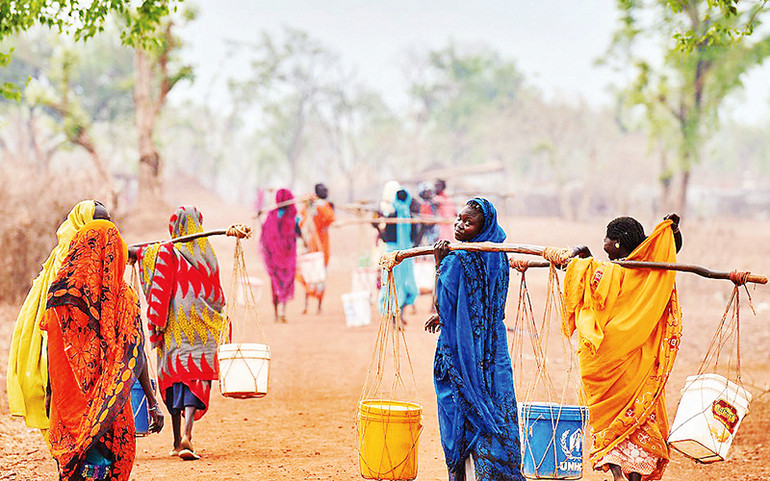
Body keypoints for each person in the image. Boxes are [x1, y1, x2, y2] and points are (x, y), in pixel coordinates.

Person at [563, 214, 683, 481]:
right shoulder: (650, 272)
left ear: (617, 243)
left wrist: (583, 263)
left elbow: (596, 282)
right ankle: (633, 475)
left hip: (608, 352)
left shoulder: (614, 271)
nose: (604, 243)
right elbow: (670, 252)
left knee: (607, 416)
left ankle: (619, 472)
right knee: (640, 414)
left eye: (607, 239)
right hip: (638, 357)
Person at [42, 219, 163, 480]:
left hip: (67, 408)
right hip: (110, 411)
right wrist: (153, 402)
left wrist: (50, 396)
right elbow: (136, 354)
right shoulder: (124, 299)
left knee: (72, 467)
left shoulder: (59, 296)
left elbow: (52, 355)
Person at [424, 198, 523, 481]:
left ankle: (461, 475)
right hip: (493, 345)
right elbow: (479, 303)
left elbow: (444, 302)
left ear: (483, 226)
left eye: (468, 223)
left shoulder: (456, 260)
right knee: (495, 405)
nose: (459, 226)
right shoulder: (497, 253)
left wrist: (439, 264)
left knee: (457, 410)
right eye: (459, 219)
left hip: (460, 349)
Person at [130, 206, 226, 461]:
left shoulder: (165, 252)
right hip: (202, 330)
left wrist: (135, 254)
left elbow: (145, 257)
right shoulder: (208, 254)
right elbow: (217, 294)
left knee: (173, 377)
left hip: (173, 327)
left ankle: (176, 441)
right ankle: (187, 435)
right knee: (195, 376)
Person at [7, 200, 110, 434]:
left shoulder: (106, 253)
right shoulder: (67, 257)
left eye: (107, 224)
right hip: (60, 339)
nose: (102, 230)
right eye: (96, 223)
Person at [374, 181, 418, 323]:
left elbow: (385, 235)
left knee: (394, 283)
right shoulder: (407, 215)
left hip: (393, 252)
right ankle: (397, 315)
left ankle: (396, 315)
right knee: (401, 283)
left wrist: (380, 228)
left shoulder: (390, 214)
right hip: (405, 254)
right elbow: (415, 234)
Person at [260, 188, 298, 323]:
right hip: (287, 258)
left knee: (275, 284)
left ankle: (277, 313)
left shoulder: (271, 215)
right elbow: (298, 233)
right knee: (286, 283)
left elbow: (264, 234)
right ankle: (282, 310)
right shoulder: (293, 216)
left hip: (275, 258)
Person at [297, 183, 336, 314]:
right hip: (316, 243)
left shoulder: (314, 205)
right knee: (316, 274)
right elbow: (331, 218)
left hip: (317, 243)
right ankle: (314, 305)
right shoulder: (321, 206)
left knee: (314, 274)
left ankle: (311, 305)